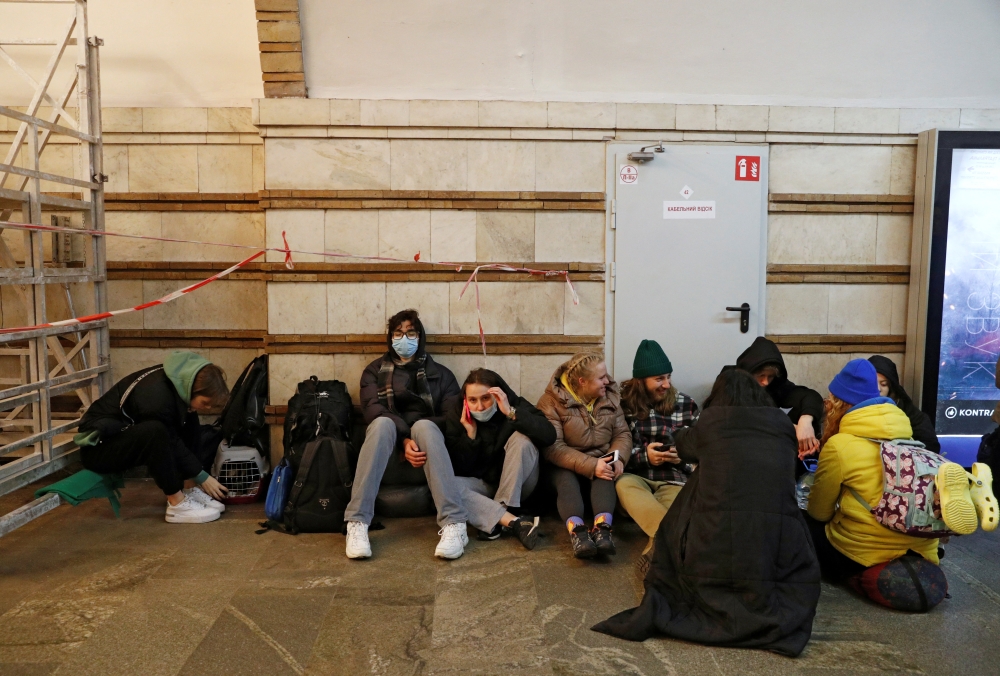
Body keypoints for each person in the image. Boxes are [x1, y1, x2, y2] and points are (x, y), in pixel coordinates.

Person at [593, 368, 820, 657]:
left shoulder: (713, 421)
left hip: (715, 543)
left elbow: (685, 445)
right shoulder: (781, 424)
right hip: (773, 543)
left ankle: (659, 548)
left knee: (698, 485)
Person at [805, 359, 981, 612]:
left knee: (803, 522)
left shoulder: (840, 444)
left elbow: (819, 512)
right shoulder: (908, 437)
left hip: (863, 555)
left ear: (837, 404)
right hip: (922, 551)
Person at [345, 309, 470, 560]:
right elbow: (372, 410)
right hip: (387, 458)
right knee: (381, 424)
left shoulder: (441, 375)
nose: (405, 338)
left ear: (420, 336)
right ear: (390, 338)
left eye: (411, 332)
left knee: (424, 426)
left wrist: (416, 433)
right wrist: (404, 440)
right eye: (398, 333)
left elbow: (451, 419)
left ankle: (455, 525)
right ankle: (357, 523)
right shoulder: (373, 372)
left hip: (429, 458)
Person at [76, 351, 230, 524]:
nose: (207, 408)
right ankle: (176, 503)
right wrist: (202, 475)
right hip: (99, 450)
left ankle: (188, 488)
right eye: (205, 402)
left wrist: (195, 476)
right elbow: (170, 441)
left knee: (190, 415)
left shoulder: (177, 384)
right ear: (193, 388)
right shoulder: (156, 398)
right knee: (155, 431)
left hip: (119, 436)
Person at [443, 368, 556, 549]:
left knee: (522, 440)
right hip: (484, 486)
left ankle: (498, 516)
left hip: (520, 485)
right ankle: (513, 523)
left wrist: (511, 413)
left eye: (485, 398)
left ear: (498, 394)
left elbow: (549, 436)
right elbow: (459, 468)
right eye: (473, 400)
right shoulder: (457, 416)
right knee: (445, 486)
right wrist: (470, 436)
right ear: (465, 400)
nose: (480, 407)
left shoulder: (515, 404)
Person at [536, 353, 632, 559]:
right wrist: (590, 464)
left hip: (600, 457)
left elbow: (622, 434)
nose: (607, 381)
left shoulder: (610, 396)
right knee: (566, 482)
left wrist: (617, 457)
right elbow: (553, 447)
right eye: (601, 377)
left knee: (605, 474)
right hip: (563, 463)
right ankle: (578, 533)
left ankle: (602, 530)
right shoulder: (550, 402)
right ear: (582, 382)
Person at [616, 340, 699, 568]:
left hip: (674, 478)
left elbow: (702, 446)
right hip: (636, 476)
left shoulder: (686, 404)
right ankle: (672, 543)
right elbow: (614, 448)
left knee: (678, 504)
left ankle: (657, 552)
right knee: (623, 486)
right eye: (659, 379)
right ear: (641, 381)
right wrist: (644, 456)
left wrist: (682, 456)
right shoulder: (622, 406)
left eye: (668, 377)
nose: (666, 384)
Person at [736, 336, 823, 463]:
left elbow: (810, 396)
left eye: (770, 376)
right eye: (761, 376)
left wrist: (805, 422)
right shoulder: (730, 382)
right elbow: (742, 418)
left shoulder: (775, 384)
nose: (765, 382)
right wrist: (788, 426)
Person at [867, 355, 940, 453]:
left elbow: (932, 445)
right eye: (873, 384)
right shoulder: (851, 407)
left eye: (884, 384)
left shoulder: (906, 408)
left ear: (891, 388)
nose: (878, 389)